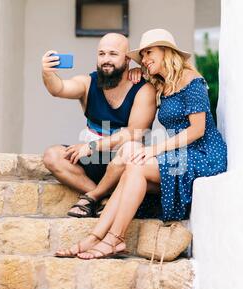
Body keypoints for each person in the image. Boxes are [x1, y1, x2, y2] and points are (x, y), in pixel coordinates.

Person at [55, 29, 228, 259]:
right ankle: (94, 238)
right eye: (142, 56)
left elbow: (197, 130)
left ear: (166, 52)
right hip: (179, 154)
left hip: (204, 154)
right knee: (132, 164)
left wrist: (153, 150)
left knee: (137, 163)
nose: (145, 60)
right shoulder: (161, 83)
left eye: (149, 53)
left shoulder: (192, 81)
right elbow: (134, 78)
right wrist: (134, 72)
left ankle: (114, 238)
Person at [42, 33, 156, 219]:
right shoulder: (88, 83)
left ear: (127, 59)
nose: (106, 60)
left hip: (123, 164)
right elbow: (59, 88)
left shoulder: (144, 90)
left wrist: (92, 146)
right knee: (52, 155)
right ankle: (102, 197)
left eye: (113, 54)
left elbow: (133, 134)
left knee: (130, 148)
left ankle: (90, 198)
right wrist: (47, 72)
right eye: (101, 54)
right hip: (92, 160)